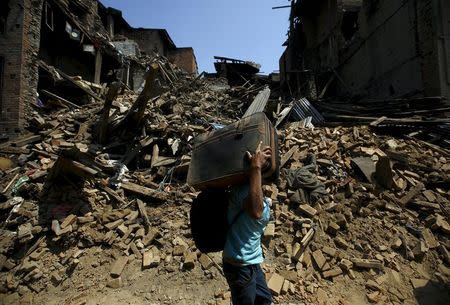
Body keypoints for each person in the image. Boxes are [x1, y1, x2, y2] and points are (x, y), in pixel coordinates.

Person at [222, 141, 273, 305]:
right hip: (239, 265)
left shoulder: (255, 189)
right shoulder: (242, 191)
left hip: (253, 263)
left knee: (264, 301)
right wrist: (256, 167)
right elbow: (256, 212)